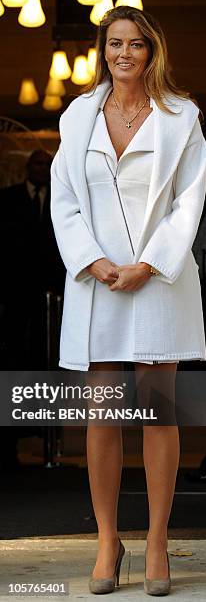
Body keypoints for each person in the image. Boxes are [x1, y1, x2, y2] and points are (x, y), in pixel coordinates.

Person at [51, 5, 206, 596]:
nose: (124, 54)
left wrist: (150, 263)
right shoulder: (78, 116)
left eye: (136, 44)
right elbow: (63, 198)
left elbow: (189, 201)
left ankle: (159, 540)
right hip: (97, 279)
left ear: (152, 51)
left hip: (158, 277)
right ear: (103, 49)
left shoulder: (181, 118)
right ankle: (107, 540)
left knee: (157, 409)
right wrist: (93, 260)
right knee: (102, 415)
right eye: (115, 43)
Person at [0, 150, 65, 471]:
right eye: (37, 163)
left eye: (47, 164)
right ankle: (9, 442)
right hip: (13, 299)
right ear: (28, 167)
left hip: (51, 300)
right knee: (12, 362)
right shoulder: (8, 199)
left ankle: (51, 441)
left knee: (49, 363)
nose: (42, 169)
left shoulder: (63, 201)